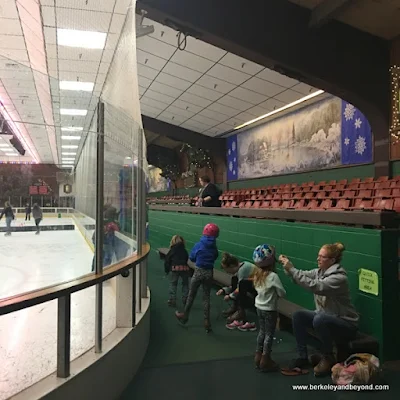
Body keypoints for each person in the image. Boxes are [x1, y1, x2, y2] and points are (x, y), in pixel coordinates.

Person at [280, 242, 359, 377]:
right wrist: (288, 268)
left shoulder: (339, 278)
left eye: (322, 257)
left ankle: (328, 356)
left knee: (319, 318)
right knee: (299, 315)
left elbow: (315, 286)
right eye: (318, 256)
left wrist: (292, 270)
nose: (318, 259)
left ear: (332, 260)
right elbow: (301, 276)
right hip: (325, 318)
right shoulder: (319, 272)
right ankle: (302, 357)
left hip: (345, 324)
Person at [175, 223, 219, 333]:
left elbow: (192, 257)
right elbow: (215, 256)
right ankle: (206, 321)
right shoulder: (214, 247)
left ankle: (185, 316)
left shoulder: (199, 245)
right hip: (209, 272)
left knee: (191, 295)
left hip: (198, 271)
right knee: (206, 297)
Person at [252, 244, 286, 372]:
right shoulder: (273, 276)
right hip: (269, 309)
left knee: (262, 331)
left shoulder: (256, 274)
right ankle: (266, 359)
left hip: (258, 307)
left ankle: (257, 356)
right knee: (269, 334)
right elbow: (282, 293)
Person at [217, 252, 257, 330]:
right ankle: (236, 307)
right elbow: (235, 286)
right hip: (252, 288)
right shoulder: (241, 267)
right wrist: (224, 290)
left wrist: (230, 296)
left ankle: (240, 312)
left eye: (227, 270)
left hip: (258, 292)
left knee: (241, 285)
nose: (227, 272)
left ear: (231, 266)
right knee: (234, 279)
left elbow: (239, 288)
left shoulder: (242, 270)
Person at [164, 235, 190, 307]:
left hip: (174, 268)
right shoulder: (184, 250)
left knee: (173, 284)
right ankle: (185, 298)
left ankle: (172, 299)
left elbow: (167, 260)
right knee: (185, 284)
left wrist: (167, 270)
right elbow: (186, 258)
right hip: (184, 268)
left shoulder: (172, 250)